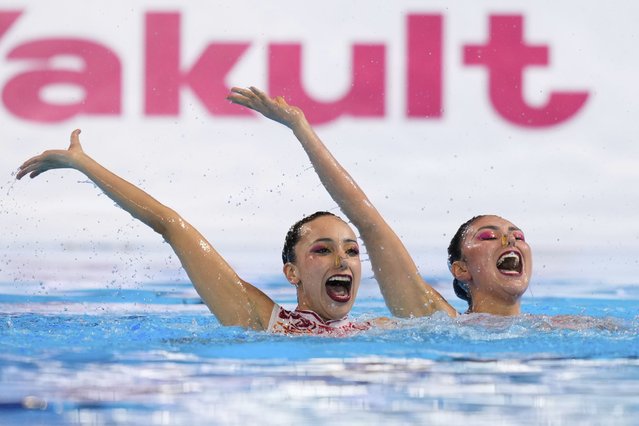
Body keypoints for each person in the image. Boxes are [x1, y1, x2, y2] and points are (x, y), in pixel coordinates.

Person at [16, 129, 380, 335]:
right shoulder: (265, 322)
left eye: (351, 250)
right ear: (292, 272)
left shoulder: (377, 331)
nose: (341, 260)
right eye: (322, 249)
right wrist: (85, 164)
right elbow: (170, 225)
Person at [227, 87, 533, 318]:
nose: (510, 240)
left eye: (518, 236)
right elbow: (367, 222)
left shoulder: (562, 326)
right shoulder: (435, 319)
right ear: (461, 269)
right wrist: (300, 127)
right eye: (489, 236)